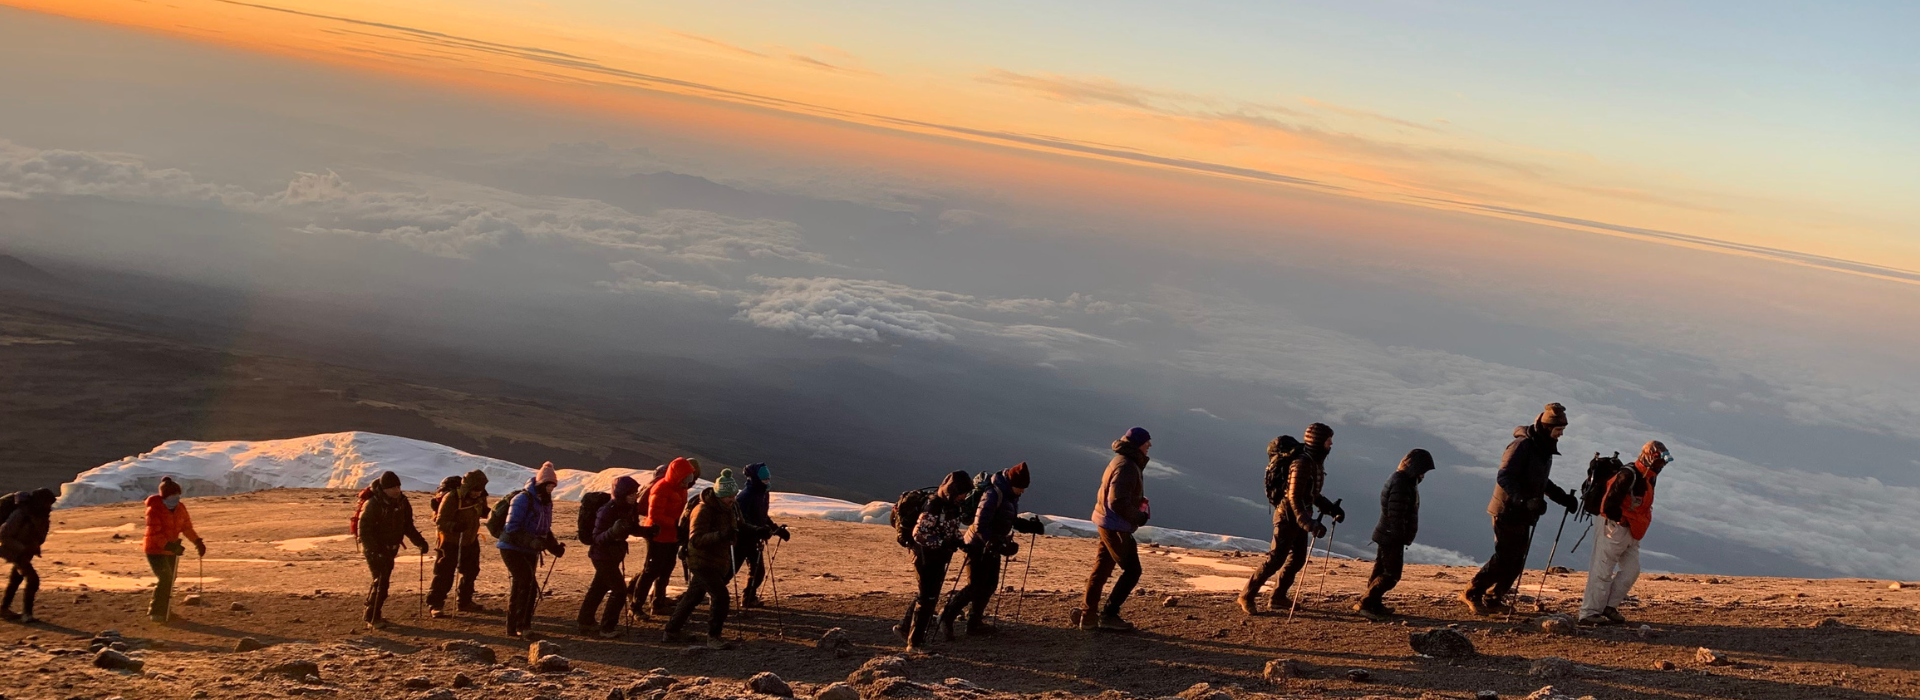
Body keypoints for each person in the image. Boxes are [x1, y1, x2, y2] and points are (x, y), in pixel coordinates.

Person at [1463, 403, 1580, 616]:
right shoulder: (1522, 446)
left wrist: (1563, 499)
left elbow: (1541, 480)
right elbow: (1504, 476)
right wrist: (1524, 500)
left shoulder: (1543, 447)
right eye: (1559, 430)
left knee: (1517, 558)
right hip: (1506, 509)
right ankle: (1473, 592)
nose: (1561, 434)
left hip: (1523, 512)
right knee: (1505, 556)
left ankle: (1494, 598)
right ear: (1547, 427)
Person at [1239, 423, 1344, 615]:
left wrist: (1330, 509)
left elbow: (1310, 494)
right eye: (1328, 439)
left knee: (1297, 559)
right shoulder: (1302, 463)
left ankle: (1278, 598)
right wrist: (1308, 523)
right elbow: (1293, 497)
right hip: (1288, 517)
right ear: (1319, 441)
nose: (1331, 444)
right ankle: (1246, 595)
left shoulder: (1313, 462)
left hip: (1298, 516)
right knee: (1276, 559)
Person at [939, 463, 1044, 638]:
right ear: (1013, 483)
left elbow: (1006, 518)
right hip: (977, 545)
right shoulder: (993, 494)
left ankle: (975, 622)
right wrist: (994, 542)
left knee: (989, 584)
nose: (1023, 491)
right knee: (976, 585)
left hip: (991, 545)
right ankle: (946, 615)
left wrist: (1028, 526)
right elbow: (980, 524)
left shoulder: (1008, 495)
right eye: (1021, 488)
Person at [1580, 441, 1670, 626]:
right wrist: (1622, 520)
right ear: (1648, 457)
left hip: (1631, 529)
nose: (1662, 465)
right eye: (1659, 461)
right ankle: (1589, 612)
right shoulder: (1628, 475)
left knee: (1631, 570)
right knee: (1602, 570)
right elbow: (1608, 506)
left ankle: (1608, 606)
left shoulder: (1648, 476)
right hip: (1613, 526)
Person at [1079, 427, 1153, 632]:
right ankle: (1109, 614)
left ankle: (1088, 615)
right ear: (1138, 443)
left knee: (1101, 569)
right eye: (1147, 442)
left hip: (1107, 522)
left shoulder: (1120, 461)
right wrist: (1138, 516)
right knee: (1132, 570)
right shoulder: (1128, 466)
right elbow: (1118, 501)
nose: (1150, 446)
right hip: (1116, 526)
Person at [894, 471, 972, 651]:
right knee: (927, 596)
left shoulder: (951, 505)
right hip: (924, 556)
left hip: (937, 556)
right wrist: (944, 542)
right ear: (954, 490)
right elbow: (919, 534)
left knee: (929, 594)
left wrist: (960, 543)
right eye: (962, 492)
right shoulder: (934, 506)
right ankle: (915, 643)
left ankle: (905, 628)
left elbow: (950, 529)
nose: (964, 496)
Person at [663, 469, 740, 649]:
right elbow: (696, 540)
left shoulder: (727, 508)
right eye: (729, 496)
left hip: (715, 560)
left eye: (734, 495)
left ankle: (671, 632)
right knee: (721, 597)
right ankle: (713, 637)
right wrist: (721, 535)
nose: (733, 499)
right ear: (720, 494)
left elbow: (738, 526)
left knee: (693, 597)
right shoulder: (703, 510)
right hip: (701, 561)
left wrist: (757, 530)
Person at [1356, 449, 1434, 620]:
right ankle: (1366, 603)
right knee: (1391, 574)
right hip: (1391, 536)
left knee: (1380, 570)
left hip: (1386, 534)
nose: (1423, 476)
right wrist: (1400, 536)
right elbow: (1396, 514)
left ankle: (1374, 603)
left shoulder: (1402, 480)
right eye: (1422, 471)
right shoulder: (1402, 484)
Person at [498, 464, 565, 638]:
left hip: (529, 548)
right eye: (549, 485)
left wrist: (553, 547)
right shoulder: (522, 499)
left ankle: (517, 627)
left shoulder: (545, 502)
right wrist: (533, 542)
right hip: (512, 547)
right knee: (526, 584)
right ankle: (521, 626)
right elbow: (512, 527)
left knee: (524, 585)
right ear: (541, 484)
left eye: (553, 486)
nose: (551, 488)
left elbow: (544, 529)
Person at [355, 471, 429, 630]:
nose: (397, 490)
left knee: (382, 581)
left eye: (398, 486)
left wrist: (420, 542)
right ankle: (372, 616)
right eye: (393, 487)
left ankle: (373, 614)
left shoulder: (402, 502)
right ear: (384, 488)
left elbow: (407, 525)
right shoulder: (373, 504)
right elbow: (364, 530)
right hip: (375, 550)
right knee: (381, 581)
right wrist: (374, 550)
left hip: (391, 548)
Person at [630, 457, 698, 617]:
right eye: (685, 478)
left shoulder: (681, 489)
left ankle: (658, 603)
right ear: (677, 475)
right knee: (651, 570)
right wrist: (675, 525)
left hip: (671, 535)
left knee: (666, 569)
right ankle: (636, 605)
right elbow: (655, 515)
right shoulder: (661, 488)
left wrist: (679, 526)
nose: (687, 482)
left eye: (689, 478)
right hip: (656, 534)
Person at [579, 475, 641, 638]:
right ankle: (607, 628)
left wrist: (647, 531)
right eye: (631, 494)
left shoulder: (629, 507)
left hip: (612, 555)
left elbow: (631, 527)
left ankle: (585, 621)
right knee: (619, 591)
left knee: (598, 588)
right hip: (602, 556)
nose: (634, 496)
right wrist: (613, 532)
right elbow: (597, 538)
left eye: (635, 493)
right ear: (621, 494)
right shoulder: (607, 510)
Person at [142, 477, 205, 624]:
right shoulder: (154, 509)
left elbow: (187, 528)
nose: (175, 499)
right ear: (165, 496)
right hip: (154, 550)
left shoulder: (180, 508)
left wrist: (197, 542)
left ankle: (166, 610)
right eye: (172, 496)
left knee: (170, 579)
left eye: (177, 495)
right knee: (165, 578)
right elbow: (154, 533)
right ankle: (156, 611)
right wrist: (170, 546)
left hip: (171, 550)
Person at [428, 470, 490, 617]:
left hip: (470, 540)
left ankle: (465, 601)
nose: (477, 493)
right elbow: (441, 521)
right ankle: (435, 604)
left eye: (480, 490)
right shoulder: (452, 498)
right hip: (450, 542)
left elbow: (482, 511)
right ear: (468, 487)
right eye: (475, 490)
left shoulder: (480, 497)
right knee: (444, 574)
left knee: (471, 572)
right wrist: (454, 526)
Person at [731, 463, 789, 608]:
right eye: (764, 480)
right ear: (756, 479)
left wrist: (776, 529)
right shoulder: (745, 496)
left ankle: (749, 598)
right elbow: (740, 521)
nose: (767, 482)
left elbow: (763, 516)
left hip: (755, 539)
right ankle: (712, 594)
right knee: (729, 571)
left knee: (758, 572)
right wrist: (758, 529)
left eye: (768, 479)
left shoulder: (763, 493)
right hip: (742, 540)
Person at [0, 489, 56, 624]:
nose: (49, 506)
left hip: (25, 552)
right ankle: (27, 614)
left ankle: (4, 609)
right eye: (47, 503)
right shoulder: (21, 514)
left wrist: (34, 547)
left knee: (16, 578)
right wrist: (22, 549)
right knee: (33, 580)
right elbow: (4, 534)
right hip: (16, 552)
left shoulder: (40, 514)